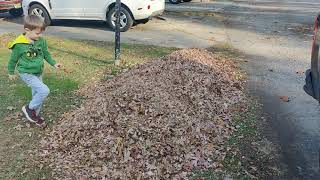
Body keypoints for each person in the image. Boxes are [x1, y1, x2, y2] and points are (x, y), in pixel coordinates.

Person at [7, 15, 62, 126]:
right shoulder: (19, 45)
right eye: (37, 33)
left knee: (37, 94)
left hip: (38, 72)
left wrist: (54, 63)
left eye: (41, 33)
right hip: (26, 73)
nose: (40, 35)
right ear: (27, 30)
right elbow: (13, 60)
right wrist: (11, 72)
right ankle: (29, 108)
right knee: (44, 91)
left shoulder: (41, 41)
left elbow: (46, 54)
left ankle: (34, 116)